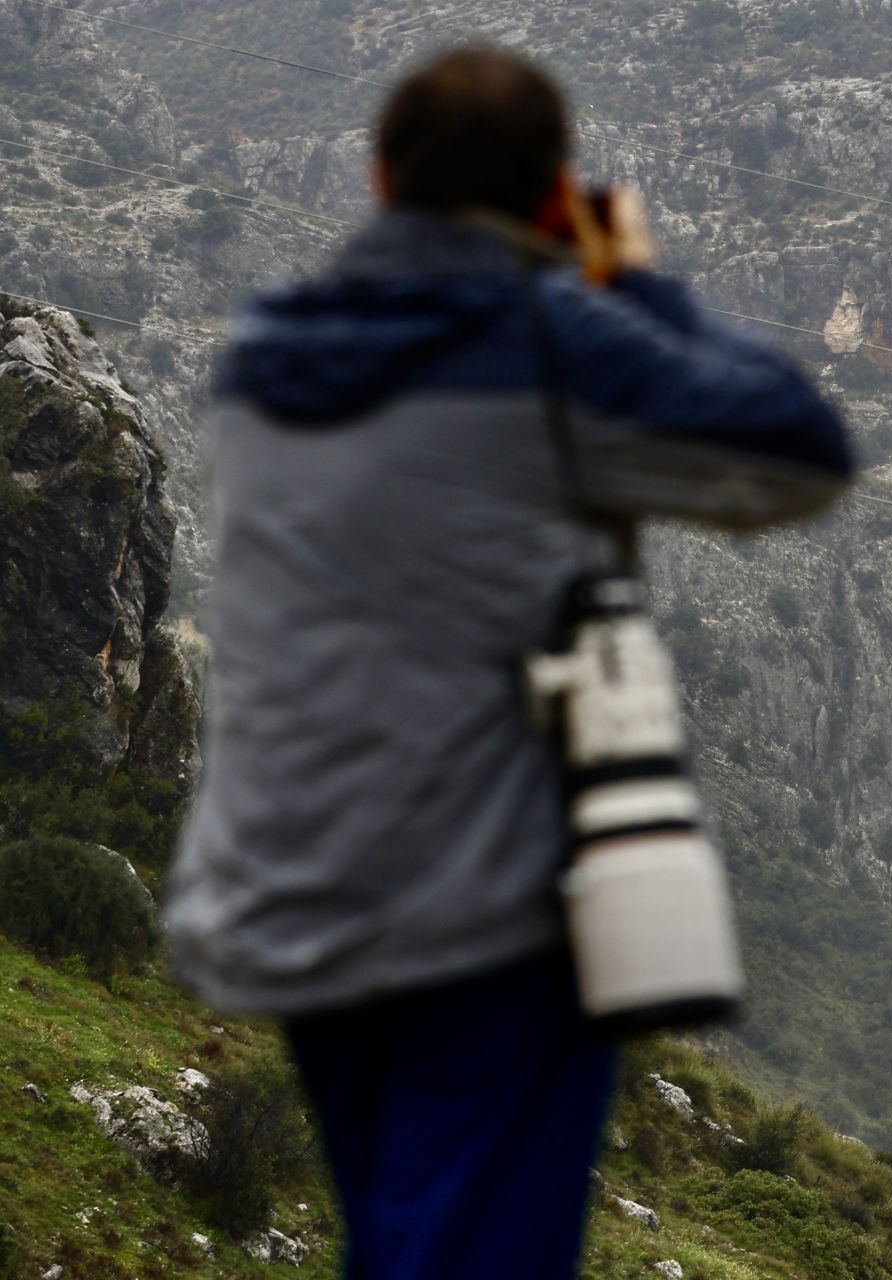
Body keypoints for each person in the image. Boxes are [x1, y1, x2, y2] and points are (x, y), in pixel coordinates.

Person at [165, 47, 853, 1279]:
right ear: (550, 199)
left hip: (294, 887)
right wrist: (632, 283)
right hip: (479, 912)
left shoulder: (261, 354)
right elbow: (799, 449)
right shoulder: (543, 343)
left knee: (402, 1236)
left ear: (379, 181)